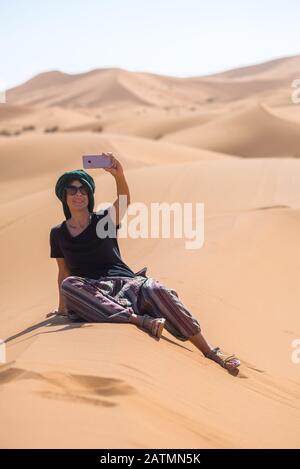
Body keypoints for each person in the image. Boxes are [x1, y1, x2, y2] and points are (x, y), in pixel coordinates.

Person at [49, 152, 240, 371]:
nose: (78, 194)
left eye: (83, 189)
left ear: (89, 194)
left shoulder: (103, 220)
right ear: (63, 196)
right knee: (70, 284)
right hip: (93, 293)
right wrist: (61, 309)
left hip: (126, 284)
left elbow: (124, 202)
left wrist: (118, 176)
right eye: (71, 190)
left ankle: (210, 351)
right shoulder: (58, 233)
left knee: (156, 289)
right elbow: (63, 272)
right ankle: (139, 320)